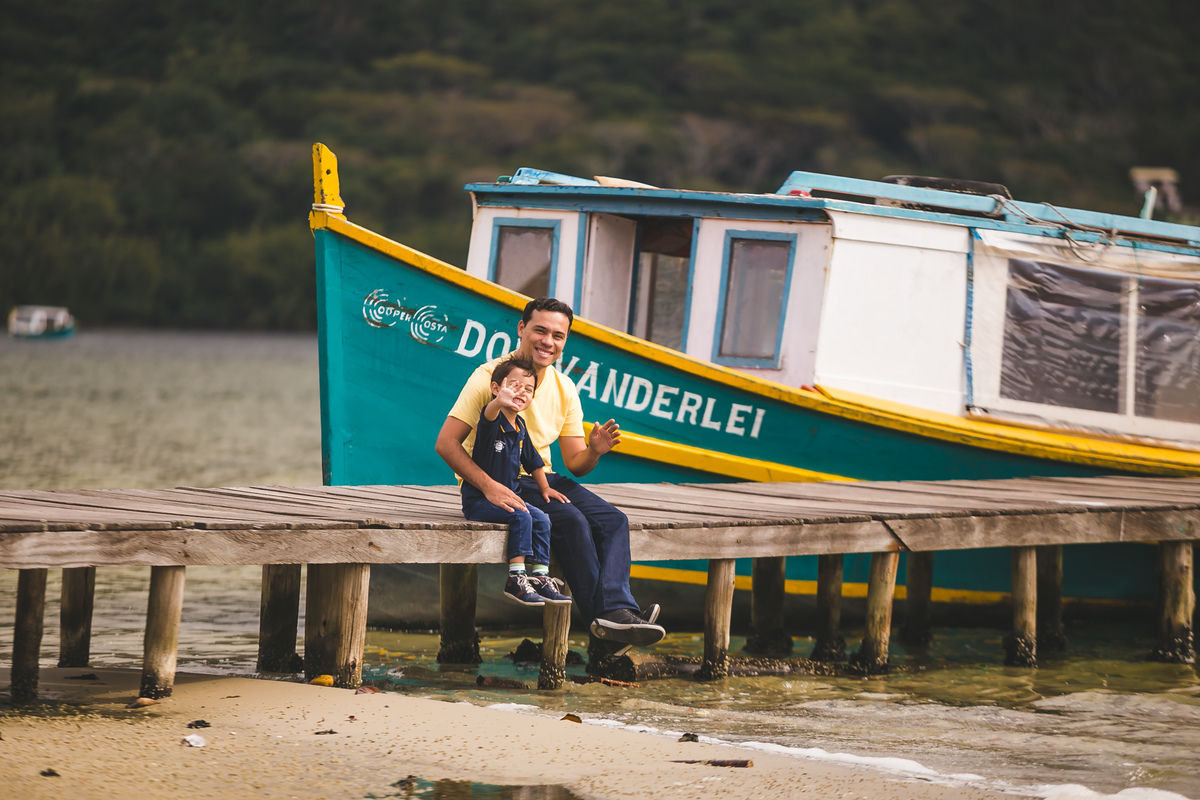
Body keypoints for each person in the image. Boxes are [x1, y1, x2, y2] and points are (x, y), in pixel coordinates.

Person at [435, 297, 664, 655]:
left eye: (558, 335)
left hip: (544, 477)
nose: (548, 341)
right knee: (572, 521)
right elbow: (446, 444)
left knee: (615, 520)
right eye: (540, 330)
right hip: (504, 478)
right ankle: (604, 626)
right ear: (522, 329)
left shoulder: (564, 387)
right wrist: (489, 486)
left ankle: (618, 609)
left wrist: (595, 451)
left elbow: (575, 464)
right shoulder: (491, 378)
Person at [459, 353, 572, 608]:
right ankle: (516, 578)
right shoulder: (491, 420)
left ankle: (540, 577)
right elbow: (489, 411)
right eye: (514, 386)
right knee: (521, 516)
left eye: (528, 389)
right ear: (496, 389)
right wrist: (499, 401)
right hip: (480, 502)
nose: (521, 392)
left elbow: (534, 462)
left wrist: (545, 489)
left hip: (510, 498)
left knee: (542, 518)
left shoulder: (520, 426)